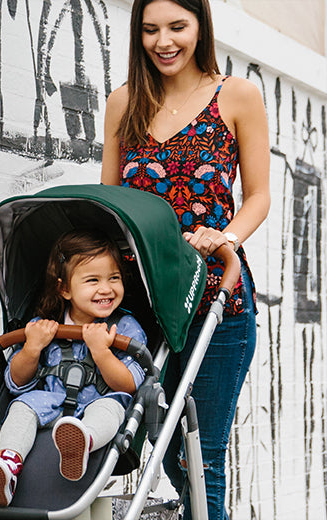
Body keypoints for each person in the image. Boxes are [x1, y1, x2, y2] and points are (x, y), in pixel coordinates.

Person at [100, 1, 270, 518]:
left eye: (177, 26)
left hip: (217, 301)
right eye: (150, 30)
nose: (164, 42)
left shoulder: (237, 95)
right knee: (163, 446)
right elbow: (109, 203)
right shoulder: (124, 102)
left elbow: (259, 196)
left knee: (202, 454)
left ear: (201, 27)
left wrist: (226, 237)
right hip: (144, 308)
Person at [0, 231, 147, 507]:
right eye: (93, 280)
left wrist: (101, 351)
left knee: (112, 408)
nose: (106, 288)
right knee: (21, 406)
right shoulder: (44, 325)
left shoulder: (125, 328)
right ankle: (8, 465)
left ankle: (81, 443)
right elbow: (16, 381)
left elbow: (128, 384)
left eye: (114, 278)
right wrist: (32, 348)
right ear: (65, 288)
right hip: (50, 402)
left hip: (99, 403)